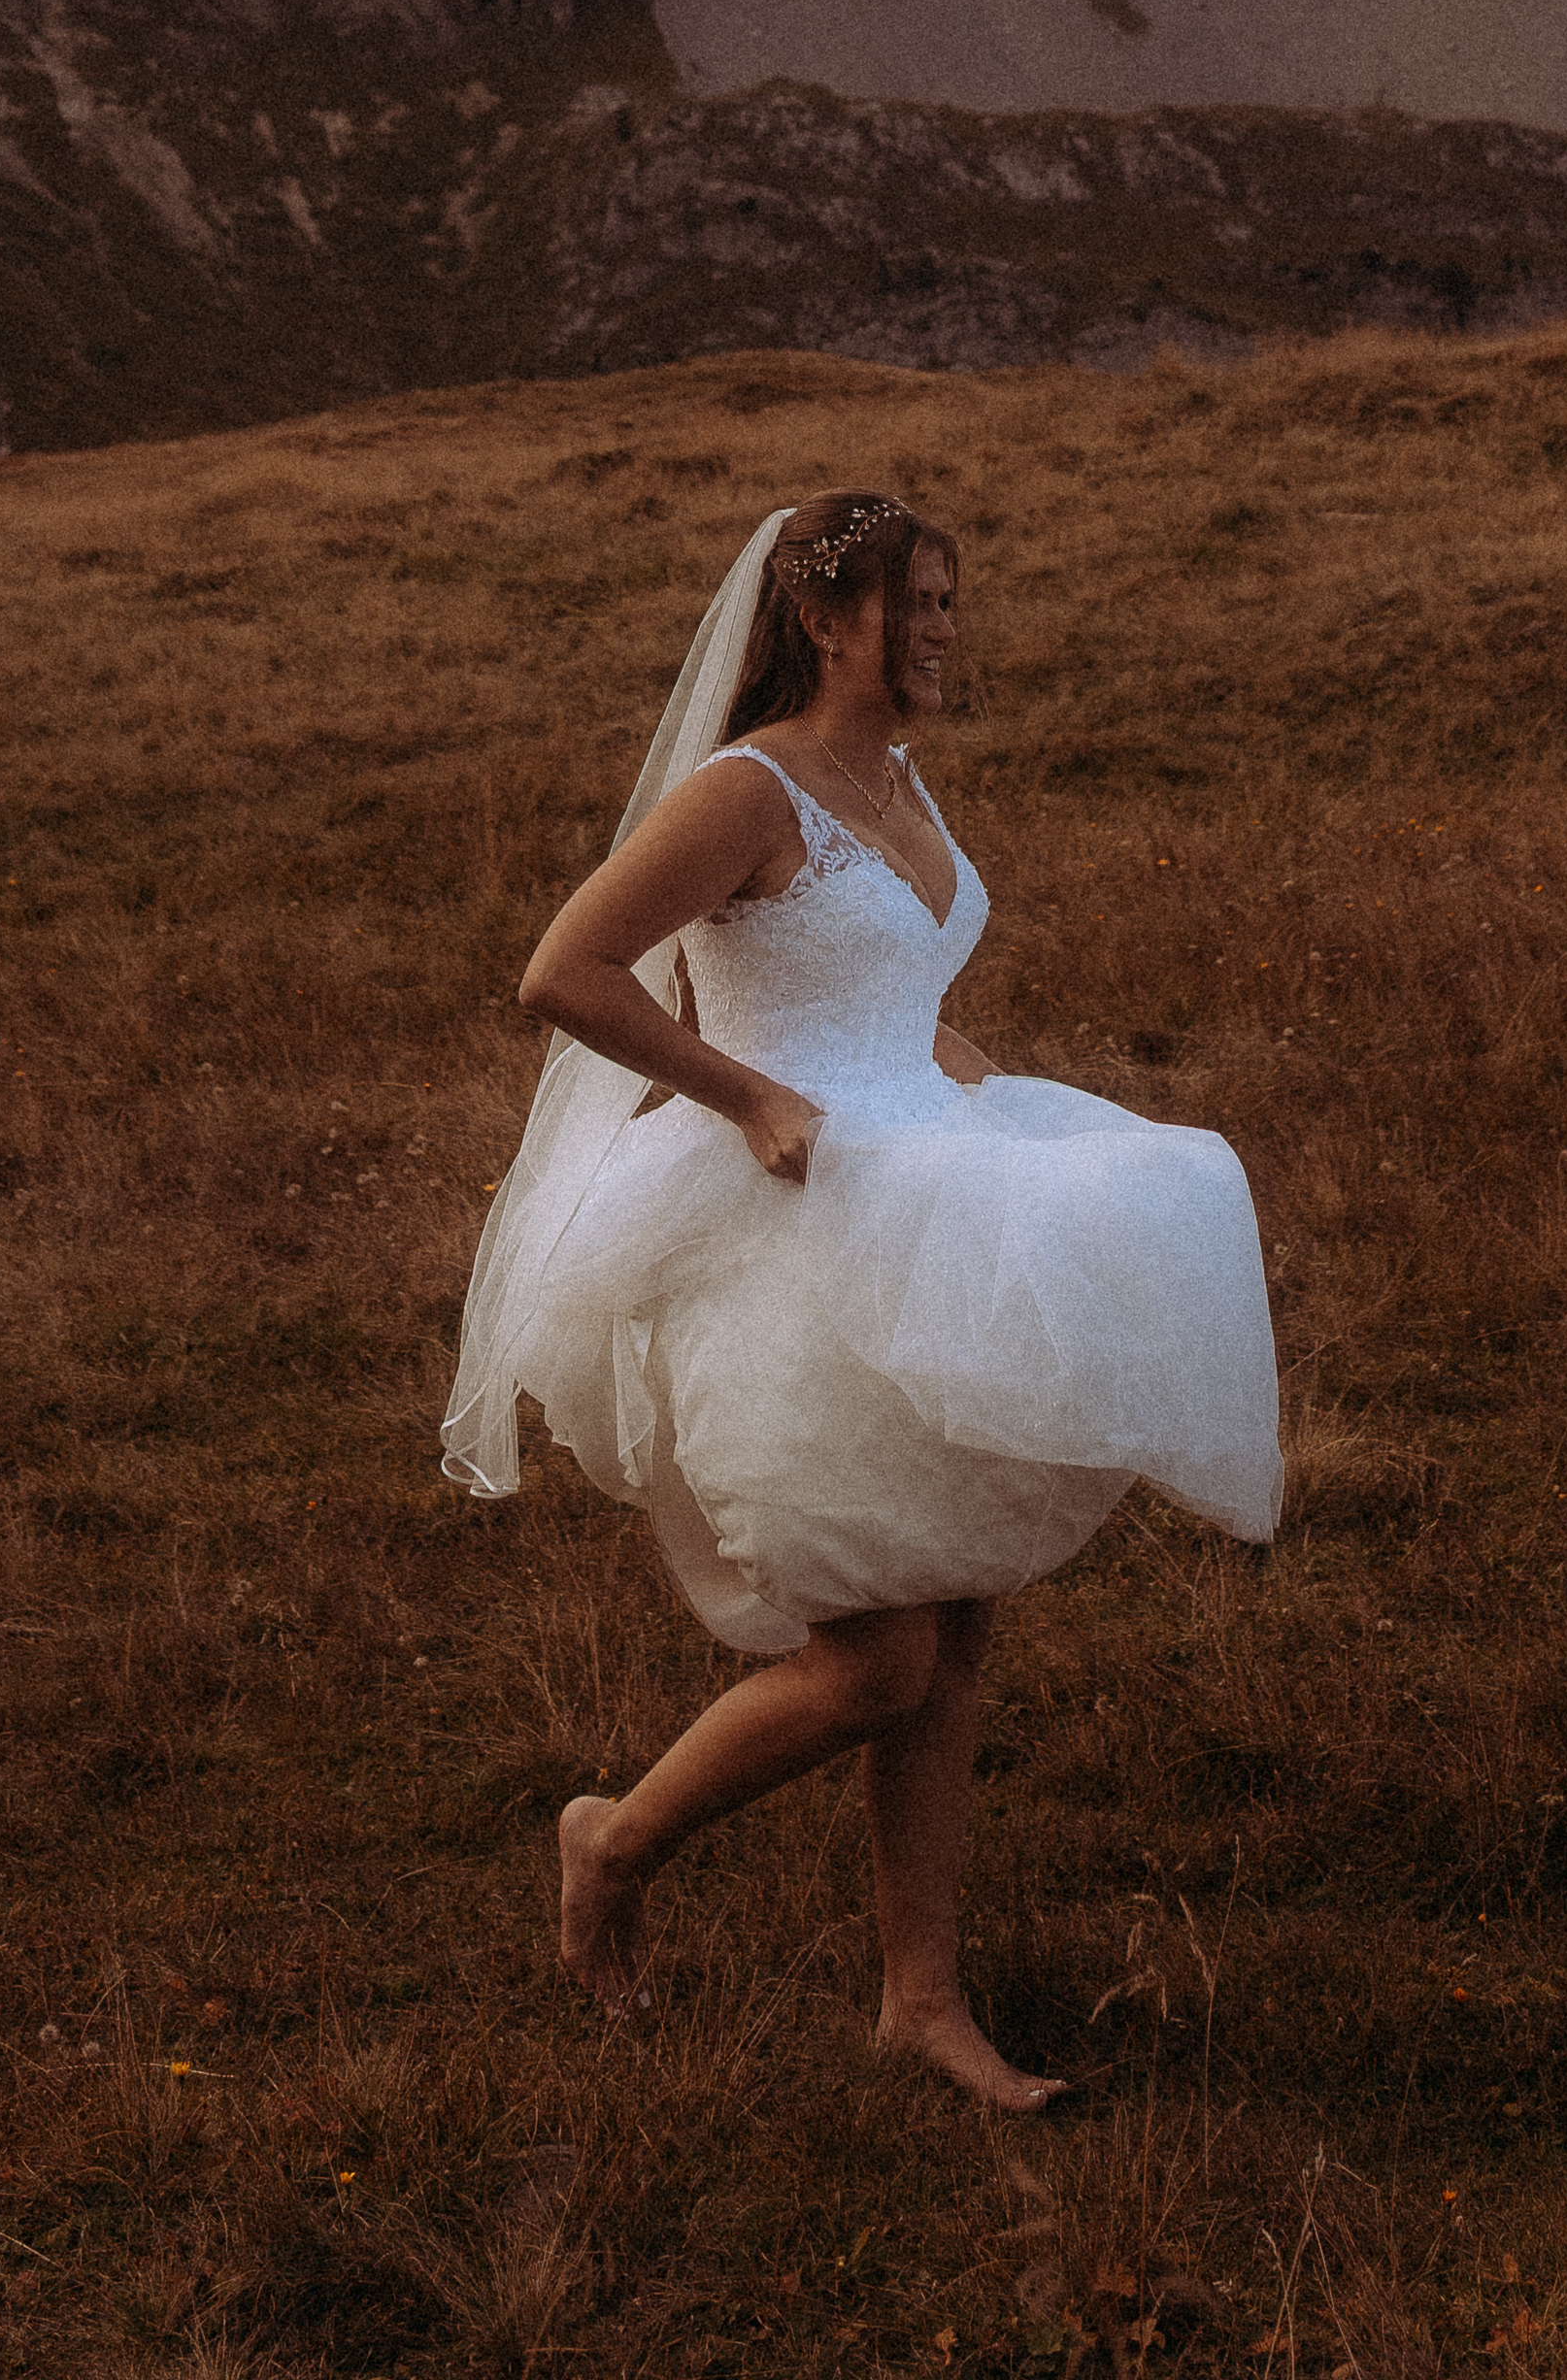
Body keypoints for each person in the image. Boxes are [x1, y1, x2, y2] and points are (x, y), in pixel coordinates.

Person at [441, 491, 1282, 2112]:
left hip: (923, 1191)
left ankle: (923, 2001)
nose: (952, 631)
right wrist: (746, 1098)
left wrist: (1010, 1106)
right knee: (876, 1657)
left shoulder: (897, 782)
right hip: (783, 1223)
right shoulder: (744, 791)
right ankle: (615, 1842)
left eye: (957, 602)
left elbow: (893, 1003)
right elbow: (566, 972)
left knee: (953, 1621)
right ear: (828, 620)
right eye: (929, 603)